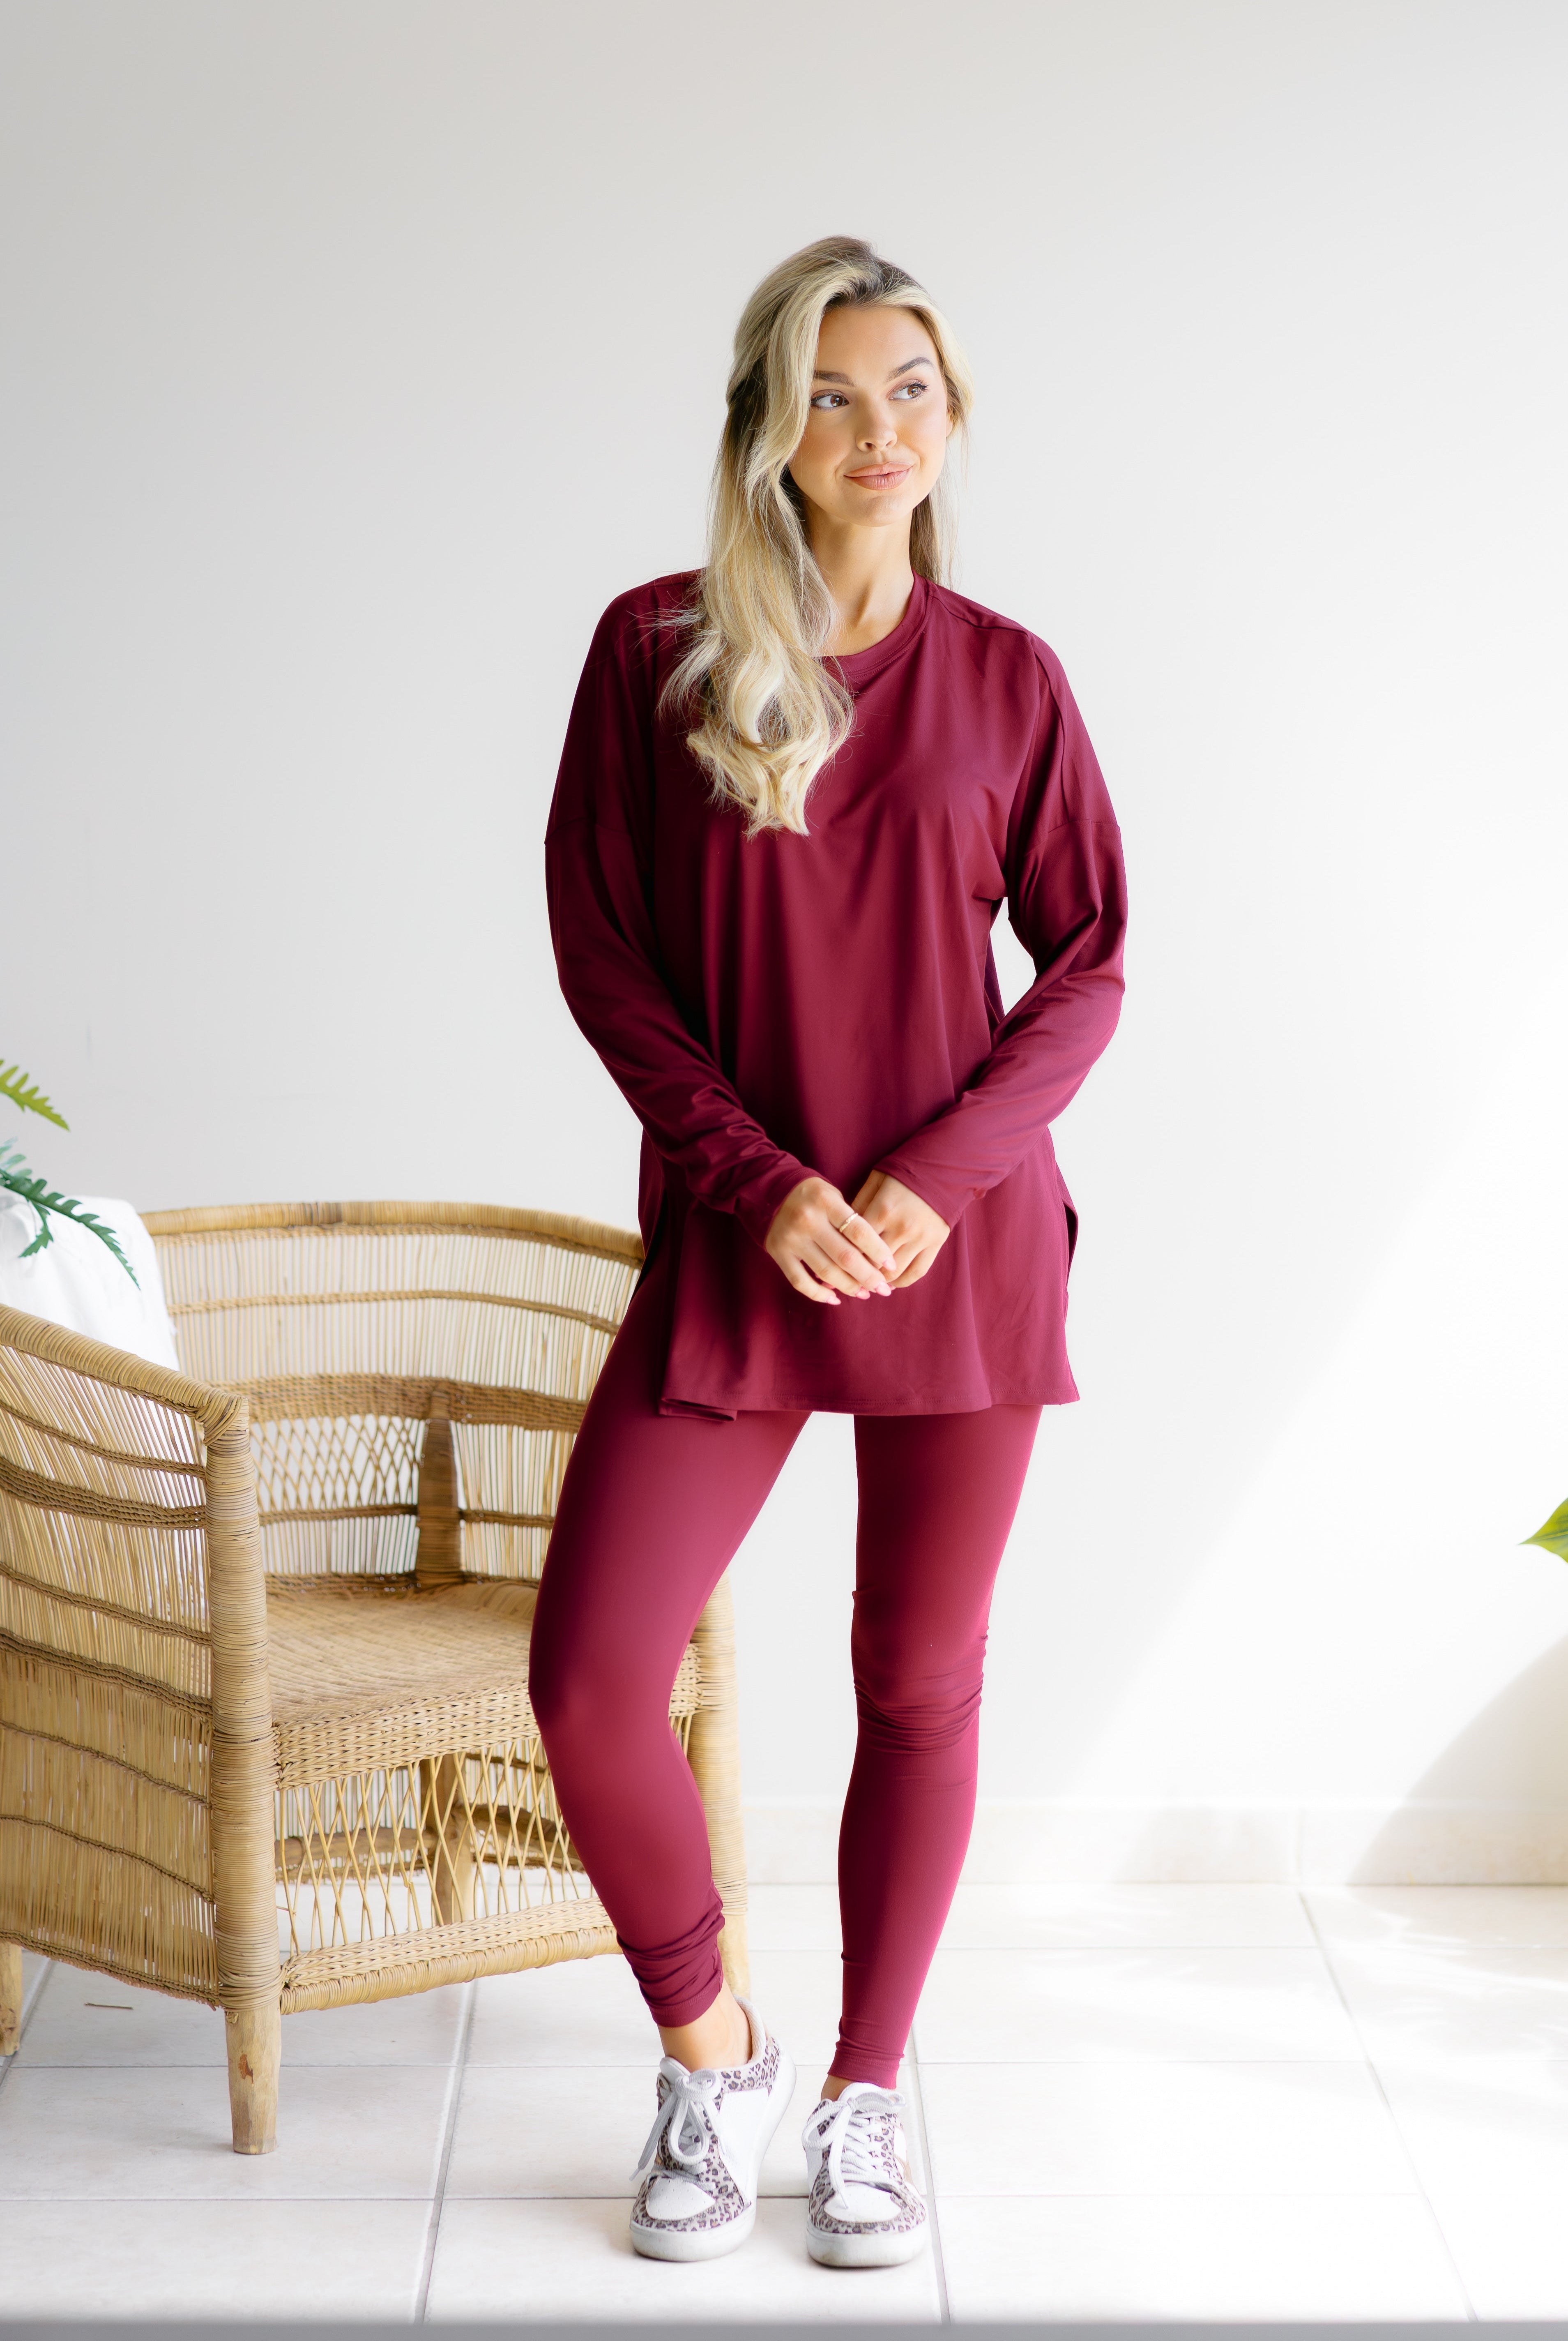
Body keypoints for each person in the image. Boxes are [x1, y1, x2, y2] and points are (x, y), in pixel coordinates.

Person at [532, 235, 1126, 2267]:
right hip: (737, 1245)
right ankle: (717, 2058)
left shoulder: (1009, 677)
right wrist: (759, 1178)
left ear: (949, 420)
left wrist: (933, 1177)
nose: (881, 432)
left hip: (954, 1260)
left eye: (913, 392)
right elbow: (603, 958)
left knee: (919, 1684)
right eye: (840, 394)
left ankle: (868, 2096)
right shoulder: (655, 652)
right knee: (594, 1675)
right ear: (771, 427)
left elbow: (1091, 965)